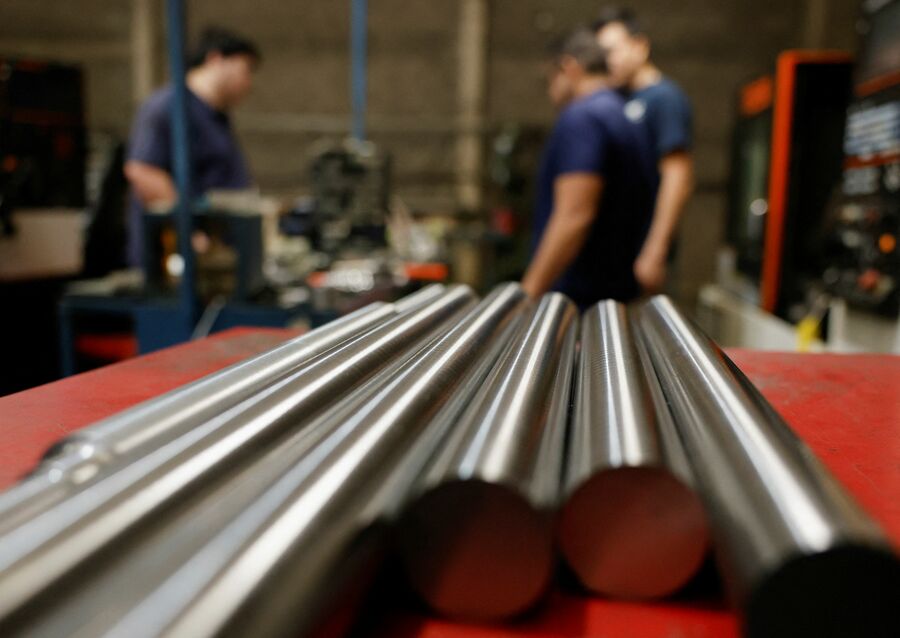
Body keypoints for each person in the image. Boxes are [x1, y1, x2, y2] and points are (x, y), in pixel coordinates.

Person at [522, 27, 657, 309]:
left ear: (569, 67)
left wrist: (528, 294)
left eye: (551, 78)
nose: (550, 91)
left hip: (576, 301)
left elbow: (575, 215)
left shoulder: (582, 117)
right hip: (615, 297)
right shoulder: (625, 116)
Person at [124, 27, 260, 266]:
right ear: (216, 60)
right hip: (178, 263)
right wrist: (188, 232)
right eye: (245, 69)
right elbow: (143, 171)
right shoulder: (168, 107)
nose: (248, 82)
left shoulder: (217, 117)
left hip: (216, 257)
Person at [595, 7, 694, 294]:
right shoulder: (620, 99)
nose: (608, 61)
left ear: (640, 46)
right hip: (616, 254)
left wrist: (655, 250)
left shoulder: (664, 98)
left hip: (643, 254)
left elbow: (678, 177)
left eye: (612, 50)